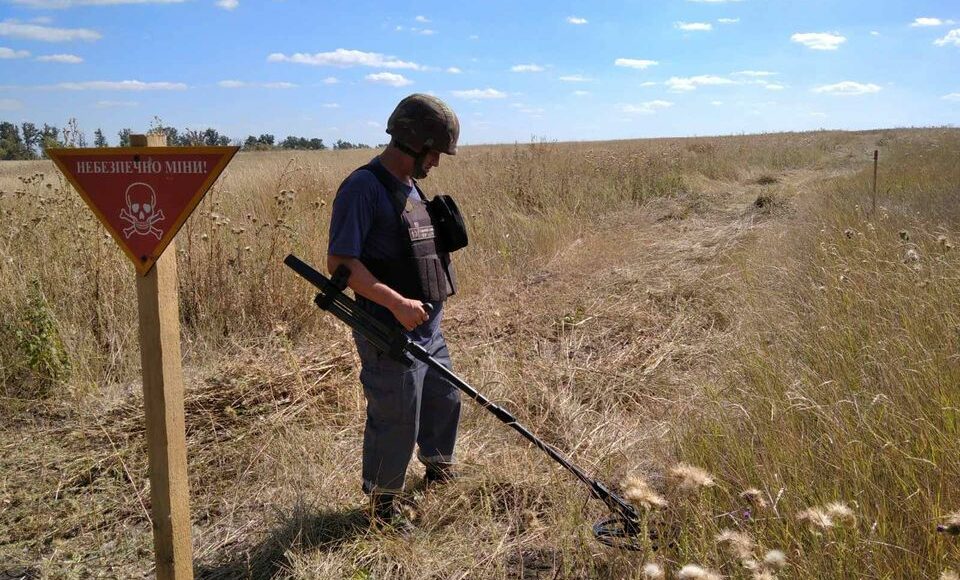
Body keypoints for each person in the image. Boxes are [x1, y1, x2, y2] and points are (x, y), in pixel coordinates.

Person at [326, 94, 462, 530]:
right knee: (397, 412)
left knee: (443, 397)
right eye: (434, 152)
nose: (436, 163)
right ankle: (382, 506)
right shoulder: (364, 187)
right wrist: (396, 304)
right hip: (389, 325)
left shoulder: (411, 184)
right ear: (413, 142)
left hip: (427, 324)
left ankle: (438, 467)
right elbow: (341, 264)